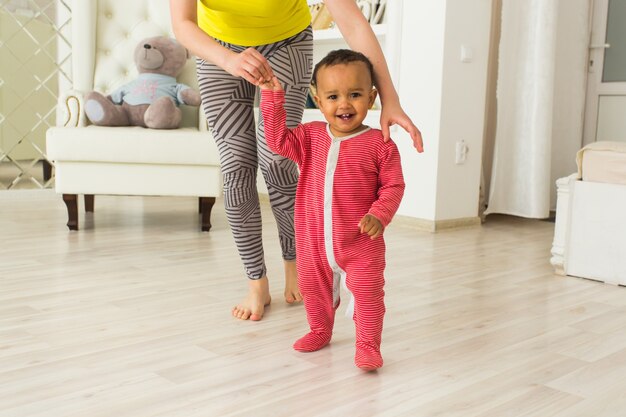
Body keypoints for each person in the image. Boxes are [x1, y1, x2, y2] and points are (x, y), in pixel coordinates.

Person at [169, 0, 423, 322]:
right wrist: (230, 61)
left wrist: (391, 99)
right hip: (216, 45)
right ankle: (256, 283)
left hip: (286, 40)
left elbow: (354, 22)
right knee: (235, 166)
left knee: (277, 158)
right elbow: (183, 24)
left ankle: (296, 261)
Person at [259, 49, 405, 371]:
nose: (344, 104)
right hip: (313, 241)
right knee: (313, 289)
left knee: (368, 294)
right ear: (318, 99)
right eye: (333, 96)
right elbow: (277, 141)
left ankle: (367, 344)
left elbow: (393, 186)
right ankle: (320, 329)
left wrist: (379, 214)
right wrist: (272, 99)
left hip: (360, 242)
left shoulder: (380, 144)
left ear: (372, 97)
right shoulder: (310, 136)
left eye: (354, 95)